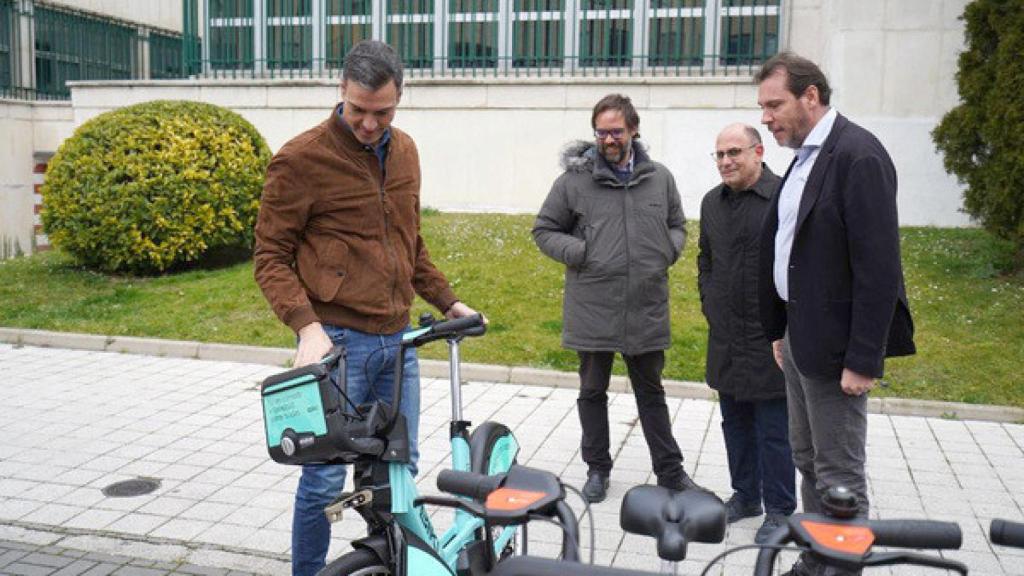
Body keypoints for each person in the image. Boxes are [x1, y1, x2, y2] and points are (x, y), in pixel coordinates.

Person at [253, 40, 480, 576]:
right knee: (325, 479)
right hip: (337, 345)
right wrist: (306, 327)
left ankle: (391, 566)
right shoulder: (301, 159)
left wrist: (448, 301)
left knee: (398, 469)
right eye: (359, 110)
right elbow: (269, 256)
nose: (370, 124)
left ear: (400, 98)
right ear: (341, 91)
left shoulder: (406, 151)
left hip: (397, 343)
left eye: (383, 112)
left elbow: (409, 243)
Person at [755, 52, 915, 576]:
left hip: (838, 351)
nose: (766, 117)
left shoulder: (858, 155)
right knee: (807, 461)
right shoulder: (802, 159)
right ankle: (815, 555)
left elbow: (879, 267)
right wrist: (780, 329)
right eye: (762, 107)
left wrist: (864, 358)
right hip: (800, 339)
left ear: (811, 96)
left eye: (774, 105)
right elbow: (793, 250)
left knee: (840, 477)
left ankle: (841, 567)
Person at [532, 93, 703, 504]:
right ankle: (597, 468)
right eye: (602, 132)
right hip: (593, 304)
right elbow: (544, 230)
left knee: (652, 392)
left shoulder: (659, 178)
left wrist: (668, 249)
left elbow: (677, 224)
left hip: (645, 304)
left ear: (634, 130)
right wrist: (582, 253)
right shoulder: (574, 182)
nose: (609, 139)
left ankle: (670, 471)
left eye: (616, 131)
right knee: (592, 391)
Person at [698, 123, 795, 543]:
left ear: (758, 151)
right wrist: (710, 303)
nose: (725, 162)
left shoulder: (784, 195)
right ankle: (745, 495)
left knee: (774, 428)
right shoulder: (711, 203)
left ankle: (779, 509)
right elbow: (706, 259)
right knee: (734, 422)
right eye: (719, 155)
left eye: (733, 152)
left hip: (770, 334)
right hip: (726, 335)